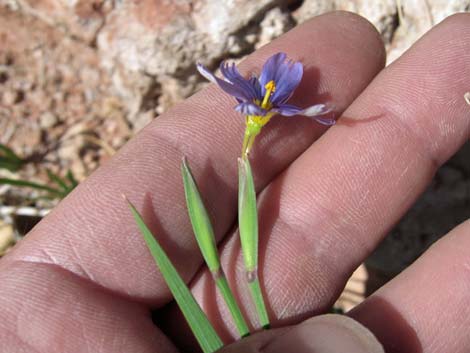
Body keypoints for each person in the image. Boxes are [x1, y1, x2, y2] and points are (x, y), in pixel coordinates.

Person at [1, 11, 469, 353]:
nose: (264, 96)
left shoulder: (260, 107)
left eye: (266, 97)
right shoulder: (253, 106)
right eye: (260, 98)